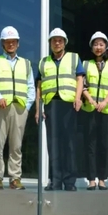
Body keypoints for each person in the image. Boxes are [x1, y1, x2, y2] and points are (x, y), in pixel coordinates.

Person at [0, 26, 35, 190]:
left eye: (13, 41)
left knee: (16, 146)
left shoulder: (26, 63)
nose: (11, 44)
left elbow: (31, 86)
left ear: (18, 43)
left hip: (19, 108)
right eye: (7, 41)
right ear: (2, 44)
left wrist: (27, 106)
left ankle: (15, 178)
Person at [35, 28, 84, 191]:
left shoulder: (74, 58)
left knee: (69, 144)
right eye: (54, 40)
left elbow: (80, 79)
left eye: (60, 40)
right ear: (50, 43)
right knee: (53, 144)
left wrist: (78, 98)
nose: (57, 43)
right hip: (51, 105)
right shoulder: (43, 62)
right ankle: (55, 181)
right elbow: (39, 87)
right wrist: (38, 108)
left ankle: (69, 182)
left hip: (69, 104)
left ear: (64, 43)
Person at [80, 31, 108, 191]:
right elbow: (82, 85)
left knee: (104, 144)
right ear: (91, 47)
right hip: (90, 109)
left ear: (106, 47)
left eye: (101, 44)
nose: (98, 47)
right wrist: (91, 100)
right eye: (95, 44)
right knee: (90, 145)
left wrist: (104, 102)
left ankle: (102, 179)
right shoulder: (85, 64)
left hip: (107, 109)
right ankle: (91, 179)